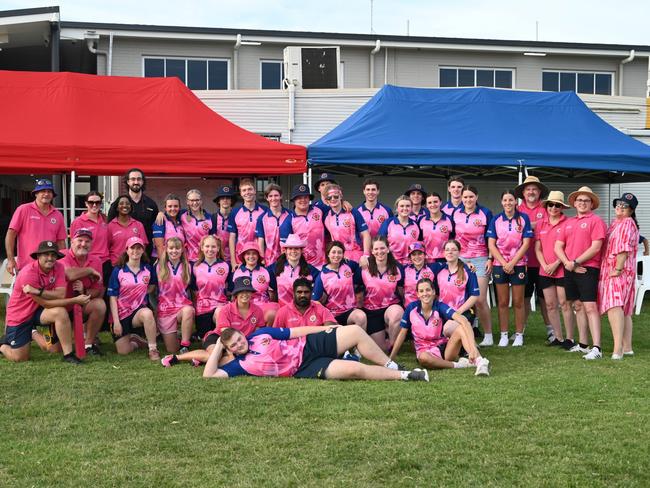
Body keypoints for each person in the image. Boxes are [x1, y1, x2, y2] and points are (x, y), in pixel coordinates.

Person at [203, 324, 429, 381]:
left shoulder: (261, 334)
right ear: (230, 349)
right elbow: (209, 376)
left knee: (354, 331)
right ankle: (407, 376)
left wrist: (326, 329)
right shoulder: (237, 366)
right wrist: (219, 347)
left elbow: (294, 332)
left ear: (244, 334)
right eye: (234, 345)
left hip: (309, 345)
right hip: (304, 368)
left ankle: (392, 365)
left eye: (239, 338)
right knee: (353, 370)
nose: (240, 344)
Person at [1, 240, 89, 364]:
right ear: (38, 256)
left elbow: (60, 294)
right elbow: (47, 304)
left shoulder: (59, 267)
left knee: (60, 312)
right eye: (46, 254)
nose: (50, 258)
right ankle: (2, 345)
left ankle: (68, 355)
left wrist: (38, 291)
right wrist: (75, 300)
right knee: (20, 358)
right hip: (20, 315)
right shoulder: (28, 273)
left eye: (53, 255)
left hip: (37, 310)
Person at [390, 278, 490, 376]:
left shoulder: (440, 306)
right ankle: (459, 365)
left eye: (428, 290)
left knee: (460, 327)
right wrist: (391, 359)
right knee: (423, 358)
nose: (425, 293)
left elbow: (464, 321)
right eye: (421, 291)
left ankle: (479, 361)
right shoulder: (411, 308)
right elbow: (402, 334)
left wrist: (472, 348)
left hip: (445, 349)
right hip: (424, 351)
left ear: (433, 292)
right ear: (418, 294)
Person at [161, 276, 264, 368]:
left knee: (227, 359)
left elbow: (257, 333)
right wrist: (231, 352)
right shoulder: (226, 309)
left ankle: (201, 360)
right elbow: (226, 334)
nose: (245, 294)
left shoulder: (258, 311)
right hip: (219, 338)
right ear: (236, 294)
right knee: (214, 356)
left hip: (240, 343)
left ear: (252, 293)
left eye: (248, 291)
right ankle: (176, 357)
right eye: (242, 291)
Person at [555, 186, 607, 360]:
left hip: (588, 268)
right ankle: (584, 345)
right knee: (577, 306)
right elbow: (558, 246)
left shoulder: (596, 221)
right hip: (570, 268)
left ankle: (597, 347)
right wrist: (568, 264)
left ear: (592, 204)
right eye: (579, 200)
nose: (582, 203)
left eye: (586, 200)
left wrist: (576, 262)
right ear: (574, 203)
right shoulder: (568, 222)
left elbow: (596, 247)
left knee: (590, 307)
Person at [487, 190, 533, 347]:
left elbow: (526, 243)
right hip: (500, 265)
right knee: (502, 302)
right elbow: (491, 244)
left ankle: (519, 335)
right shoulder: (496, 219)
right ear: (501, 202)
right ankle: (504, 335)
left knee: (519, 302)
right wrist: (503, 263)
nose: (508, 203)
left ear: (515, 202)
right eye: (505, 200)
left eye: (511, 200)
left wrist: (512, 262)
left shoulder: (523, 218)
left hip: (518, 265)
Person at [598, 193, 639, 359]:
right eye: (619, 204)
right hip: (618, 269)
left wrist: (618, 268)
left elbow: (623, 248)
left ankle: (617, 350)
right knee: (624, 310)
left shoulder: (627, 223)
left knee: (614, 307)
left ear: (631, 210)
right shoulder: (617, 222)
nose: (620, 207)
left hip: (618, 270)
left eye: (625, 206)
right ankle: (627, 347)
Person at [451, 185, 494, 346]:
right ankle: (465, 331)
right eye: (465, 197)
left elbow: (491, 237)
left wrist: (490, 258)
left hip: (481, 258)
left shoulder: (485, 213)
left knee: (480, 299)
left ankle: (488, 335)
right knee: (462, 297)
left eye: (471, 197)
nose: (468, 200)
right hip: (461, 259)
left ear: (476, 197)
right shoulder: (455, 213)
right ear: (461, 198)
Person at [514, 175, 554, 342]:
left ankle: (551, 330)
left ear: (539, 192)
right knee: (524, 298)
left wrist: (527, 225)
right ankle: (520, 331)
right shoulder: (517, 209)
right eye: (528, 189)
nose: (531, 192)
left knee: (546, 299)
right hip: (523, 261)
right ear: (523, 192)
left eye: (534, 189)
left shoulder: (546, 208)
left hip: (544, 262)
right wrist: (534, 225)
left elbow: (550, 224)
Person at [107, 236, 160, 360]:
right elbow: (112, 298)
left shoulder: (148, 268)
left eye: (138, 248)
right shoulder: (118, 270)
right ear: (127, 250)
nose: (135, 251)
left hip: (137, 311)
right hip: (121, 314)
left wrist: (140, 293)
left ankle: (153, 349)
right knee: (123, 351)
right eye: (132, 248)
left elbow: (152, 286)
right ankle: (136, 341)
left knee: (147, 313)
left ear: (143, 250)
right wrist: (116, 322)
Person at [535, 191, 574, 348]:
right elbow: (538, 248)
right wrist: (544, 265)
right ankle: (557, 337)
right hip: (545, 270)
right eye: (551, 204)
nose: (553, 207)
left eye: (557, 205)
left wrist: (556, 263)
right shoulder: (540, 224)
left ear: (562, 207)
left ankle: (569, 338)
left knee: (564, 304)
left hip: (562, 268)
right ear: (547, 206)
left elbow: (569, 248)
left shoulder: (568, 223)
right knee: (550, 305)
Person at [60, 228, 106, 355]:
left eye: (87, 241)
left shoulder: (96, 260)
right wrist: (90, 270)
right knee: (54, 349)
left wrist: (85, 290)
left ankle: (88, 344)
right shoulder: (61, 255)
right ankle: (33, 332)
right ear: (72, 241)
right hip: (61, 306)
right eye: (79, 240)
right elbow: (69, 274)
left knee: (99, 304)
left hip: (81, 305)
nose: (83, 244)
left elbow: (97, 290)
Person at [5, 178, 66, 275]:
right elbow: (10, 235)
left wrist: (63, 262)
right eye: (42, 191)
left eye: (49, 191)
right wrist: (10, 259)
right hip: (26, 266)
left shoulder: (58, 214)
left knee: (51, 291)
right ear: (36, 194)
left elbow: (61, 242)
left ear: (53, 195)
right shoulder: (23, 209)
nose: (46, 194)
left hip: (49, 266)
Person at [360, 236, 405, 351]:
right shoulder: (364, 267)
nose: (379, 252)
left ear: (388, 249)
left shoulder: (397, 268)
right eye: (376, 249)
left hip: (391, 306)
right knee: (381, 349)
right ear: (372, 251)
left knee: (397, 314)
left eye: (382, 248)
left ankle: (393, 344)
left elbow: (401, 291)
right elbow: (357, 290)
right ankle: (387, 333)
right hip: (372, 311)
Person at [313, 241, 367, 329]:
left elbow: (361, 267)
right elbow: (315, 301)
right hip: (332, 315)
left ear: (343, 254)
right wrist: (324, 314)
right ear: (328, 254)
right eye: (333, 252)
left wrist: (364, 259)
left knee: (361, 317)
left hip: (350, 310)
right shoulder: (322, 275)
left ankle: (360, 342)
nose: (336, 255)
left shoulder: (348, 265)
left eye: (339, 252)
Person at [107, 168, 159, 256]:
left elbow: (156, 227)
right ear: (128, 182)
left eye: (139, 179)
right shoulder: (118, 205)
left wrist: (161, 214)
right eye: (133, 179)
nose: (136, 182)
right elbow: (109, 229)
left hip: (146, 253)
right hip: (120, 255)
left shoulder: (151, 204)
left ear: (143, 181)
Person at [156, 237, 195, 354]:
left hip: (181, 307)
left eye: (177, 248)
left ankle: (185, 345)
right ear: (166, 249)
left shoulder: (188, 266)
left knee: (189, 310)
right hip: (165, 309)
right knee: (172, 350)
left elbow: (192, 290)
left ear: (182, 250)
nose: (174, 251)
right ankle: (177, 334)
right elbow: (151, 289)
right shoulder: (158, 266)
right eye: (171, 248)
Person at [430, 240, 480, 328]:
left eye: (454, 249)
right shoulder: (439, 270)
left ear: (459, 252)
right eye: (447, 249)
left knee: (449, 329)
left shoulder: (468, 271)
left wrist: (457, 313)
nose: (450, 252)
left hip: (461, 312)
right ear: (444, 252)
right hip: (442, 312)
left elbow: (474, 296)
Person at [190, 235, 230, 342]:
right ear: (202, 248)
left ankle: (225, 342)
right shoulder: (195, 267)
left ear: (218, 248)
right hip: (202, 309)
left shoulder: (226, 266)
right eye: (207, 246)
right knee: (206, 340)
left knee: (220, 313)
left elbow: (230, 289)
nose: (210, 249)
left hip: (219, 306)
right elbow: (194, 290)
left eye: (213, 247)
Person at [279, 184, 326, 268]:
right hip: (303, 267)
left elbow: (335, 207)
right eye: (299, 198)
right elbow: (284, 250)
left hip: (323, 264)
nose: (303, 200)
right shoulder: (289, 221)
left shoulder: (319, 210)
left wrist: (343, 202)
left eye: (306, 197)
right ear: (294, 200)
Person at [231, 241, 278, 325]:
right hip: (243, 306)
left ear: (258, 256)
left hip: (262, 306)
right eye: (248, 254)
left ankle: (267, 335)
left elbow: (274, 291)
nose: (251, 256)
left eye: (254, 253)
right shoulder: (237, 272)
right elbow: (233, 294)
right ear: (244, 256)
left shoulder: (266, 271)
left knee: (272, 314)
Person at [70, 190, 111, 285]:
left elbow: (109, 242)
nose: (94, 205)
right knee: (87, 293)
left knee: (103, 294)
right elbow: (74, 246)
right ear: (86, 204)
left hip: (105, 262)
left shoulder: (105, 220)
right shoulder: (78, 222)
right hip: (88, 263)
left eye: (97, 202)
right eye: (91, 202)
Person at [322, 183, 370, 262]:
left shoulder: (353, 212)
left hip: (356, 256)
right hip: (338, 257)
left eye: (336, 196)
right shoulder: (326, 217)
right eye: (329, 198)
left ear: (340, 196)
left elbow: (366, 234)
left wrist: (366, 255)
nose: (333, 199)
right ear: (327, 200)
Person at [268, 234, 320, 307]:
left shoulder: (310, 269)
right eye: (290, 248)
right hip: (283, 311)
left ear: (301, 250)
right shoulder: (275, 267)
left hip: (304, 310)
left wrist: (314, 296)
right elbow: (267, 279)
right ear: (285, 251)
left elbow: (322, 280)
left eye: (296, 248)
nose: (293, 251)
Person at [228, 178, 268, 268]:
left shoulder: (265, 211)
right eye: (244, 190)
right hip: (240, 257)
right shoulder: (235, 212)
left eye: (250, 189)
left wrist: (263, 258)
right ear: (241, 193)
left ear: (255, 191)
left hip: (258, 256)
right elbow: (232, 237)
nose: (247, 192)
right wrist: (233, 261)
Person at [273, 278, 338, 328]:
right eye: (299, 292)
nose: (303, 295)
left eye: (306, 292)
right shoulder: (282, 312)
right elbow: (276, 334)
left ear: (311, 293)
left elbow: (331, 328)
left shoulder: (320, 308)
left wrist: (329, 326)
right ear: (293, 293)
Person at [377, 195, 420, 266]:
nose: (405, 208)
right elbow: (380, 243)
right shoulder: (388, 223)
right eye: (402, 206)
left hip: (410, 264)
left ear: (411, 208)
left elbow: (419, 245)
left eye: (408, 206)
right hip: (391, 263)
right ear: (397, 208)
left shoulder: (415, 225)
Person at [107, 195, 149, 267]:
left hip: (135, 265)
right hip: (116, 265)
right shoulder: (110, 226)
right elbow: (107, 247)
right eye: (121, 203)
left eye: (127, 203)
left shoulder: (138, 225)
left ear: (131, 207)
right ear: (117, 208)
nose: (125, 205)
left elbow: (143, 246)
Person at [256, 183, 290, 265]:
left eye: (276, 195)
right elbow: (260, 240)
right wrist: (262, 259)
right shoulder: (262, 218)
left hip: (288, 259)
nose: (273, 198)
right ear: (267, 198)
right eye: (270, 196)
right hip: (269, 260)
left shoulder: (290, 215)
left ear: (281, 196)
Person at [419, 192, 455, 263]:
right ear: (426, 205)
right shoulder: (422, 220)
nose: (433, 205)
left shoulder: (449, 219)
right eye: (429, 202)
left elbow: (454, 240)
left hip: (445, 260)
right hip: (426, 260)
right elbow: (419, 240)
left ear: (440, 202)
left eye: (435, 202)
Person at [180, 189, 213, 263]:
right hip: (188, 260)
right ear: (187, 202)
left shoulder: (210, 218)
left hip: (206, 260)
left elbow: (213, 240)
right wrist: (161, 214)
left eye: (197, 200)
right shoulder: (182, 216)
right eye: (192, 200)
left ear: (201, 201)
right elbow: (170, 213)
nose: (195, 203)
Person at [152, 193, 186, 258]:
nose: (173, 209)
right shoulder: (160, 221)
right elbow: (159, 247)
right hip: (165, 261)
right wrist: (163, 265)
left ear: (180, 207)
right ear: (165, 208)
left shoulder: (182, 220)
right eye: (170, 206)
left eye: (176, 206)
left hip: (179, 261)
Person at [403, 242, 436, 307]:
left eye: (420, 254)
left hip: (427, 306)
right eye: (414, 254)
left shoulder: (433, 268)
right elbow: (400, 288)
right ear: (410, 257)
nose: (417, 257)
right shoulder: (404, 269)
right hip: (409, 307)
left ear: (424, 255)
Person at [211, 184, 237, 265]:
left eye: (228, 198)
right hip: (217, 258)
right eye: (222, 198)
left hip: (234, 258)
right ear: (218, 201)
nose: (225, 200)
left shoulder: (237, 217)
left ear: (231, 201)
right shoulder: (212, 218)